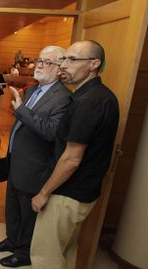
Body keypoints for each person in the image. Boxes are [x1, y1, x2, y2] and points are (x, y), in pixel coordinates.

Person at [30, 40, 119, 268]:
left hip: (67, 193)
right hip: (84, 192)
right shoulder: (103, 95)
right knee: (66, 251)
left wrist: (43, 192)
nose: (64, 65)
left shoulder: (88, 102)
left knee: (45, 257)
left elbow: (71, 158)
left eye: (72, 59)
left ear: (93, 64)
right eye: (64, 59)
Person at [0, 46, 72, 268]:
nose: (39, 65)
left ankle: (24, 252)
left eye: (46, 62)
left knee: (28, 212)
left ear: (60, 69)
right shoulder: (34, 89)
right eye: (39, 60)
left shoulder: (64, 98)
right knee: (12, 206)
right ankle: (12, 240)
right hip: (16, 159)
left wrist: (21, 109)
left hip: (35, 166)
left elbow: (50, 132)